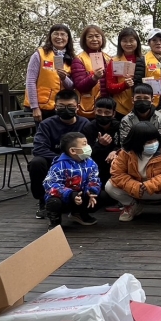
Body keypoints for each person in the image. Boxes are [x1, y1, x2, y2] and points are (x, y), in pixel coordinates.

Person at [28, 90, 92, 219]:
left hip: (78, 162)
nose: (66, 110)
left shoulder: (85, 124)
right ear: (55, 107)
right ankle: (43, 201)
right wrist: (61, 160)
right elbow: (39, 148)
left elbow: (90, 148)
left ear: (77, 107)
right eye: (61, 106)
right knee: (36, 163)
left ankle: (82, 201)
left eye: (70, 106)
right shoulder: (46, 124)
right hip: (53, 161)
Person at [106, 123, 161, 222]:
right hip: (136, 190)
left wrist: (152, 184)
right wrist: (134, 186)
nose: (153, 144)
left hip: (159, 189)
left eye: (155, 140)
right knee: (109, 186)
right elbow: (118, 174)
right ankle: (131, 206)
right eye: (148, 142)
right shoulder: (125, 153)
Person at [43, 132, 101, 228]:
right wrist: (70, 194)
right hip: (65, 198)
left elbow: (94, 179)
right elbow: (51, 185)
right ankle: (55, 222)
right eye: (84, 144)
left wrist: (91, 191)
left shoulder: (90, 162)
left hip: (81, 196)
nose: (88, 147)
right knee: (53, 201)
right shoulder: (59, 165)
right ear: (73, 150)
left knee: (102, 196)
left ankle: (80, 214)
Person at [24, 24, 75, 122]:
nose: (59, 37)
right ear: (50, 36)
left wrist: (64, 78)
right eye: (56, 34)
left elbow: (71, 86)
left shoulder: (71, 58)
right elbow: (30, 81)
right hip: (42, 107)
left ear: (68, 38)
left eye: (63, 34)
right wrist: (35, 107)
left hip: (63, 107)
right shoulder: (39, 54)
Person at [83, 97, 120, 197]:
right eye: (99, 111)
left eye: (107, 112)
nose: (103, 115)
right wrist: (99, 144)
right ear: (95, 111)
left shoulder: (119, 126)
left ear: (113, 114)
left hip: (115, 164)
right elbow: (85, 153)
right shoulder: (88, 128)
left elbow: (125, 146)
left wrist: (116, 151)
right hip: (95, 164)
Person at [105, 27, 145, 118]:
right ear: (120, 42)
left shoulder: (144, 60)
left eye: (131, 40)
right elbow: (109, 87)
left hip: (141, 106)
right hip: (120, 107)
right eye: (124, 41)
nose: (128, 44)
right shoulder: (114, 61)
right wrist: (124, 85)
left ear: (137, 42)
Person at [72, 25, 110, 118]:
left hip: (107, 108)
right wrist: (94, 78)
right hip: (88, 109)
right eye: (90, 36)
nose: (94, 39)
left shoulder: (108, 58)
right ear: (84, 40)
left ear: (102, 38)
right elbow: (80, 86)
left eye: (97, 36)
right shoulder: (79, 59)